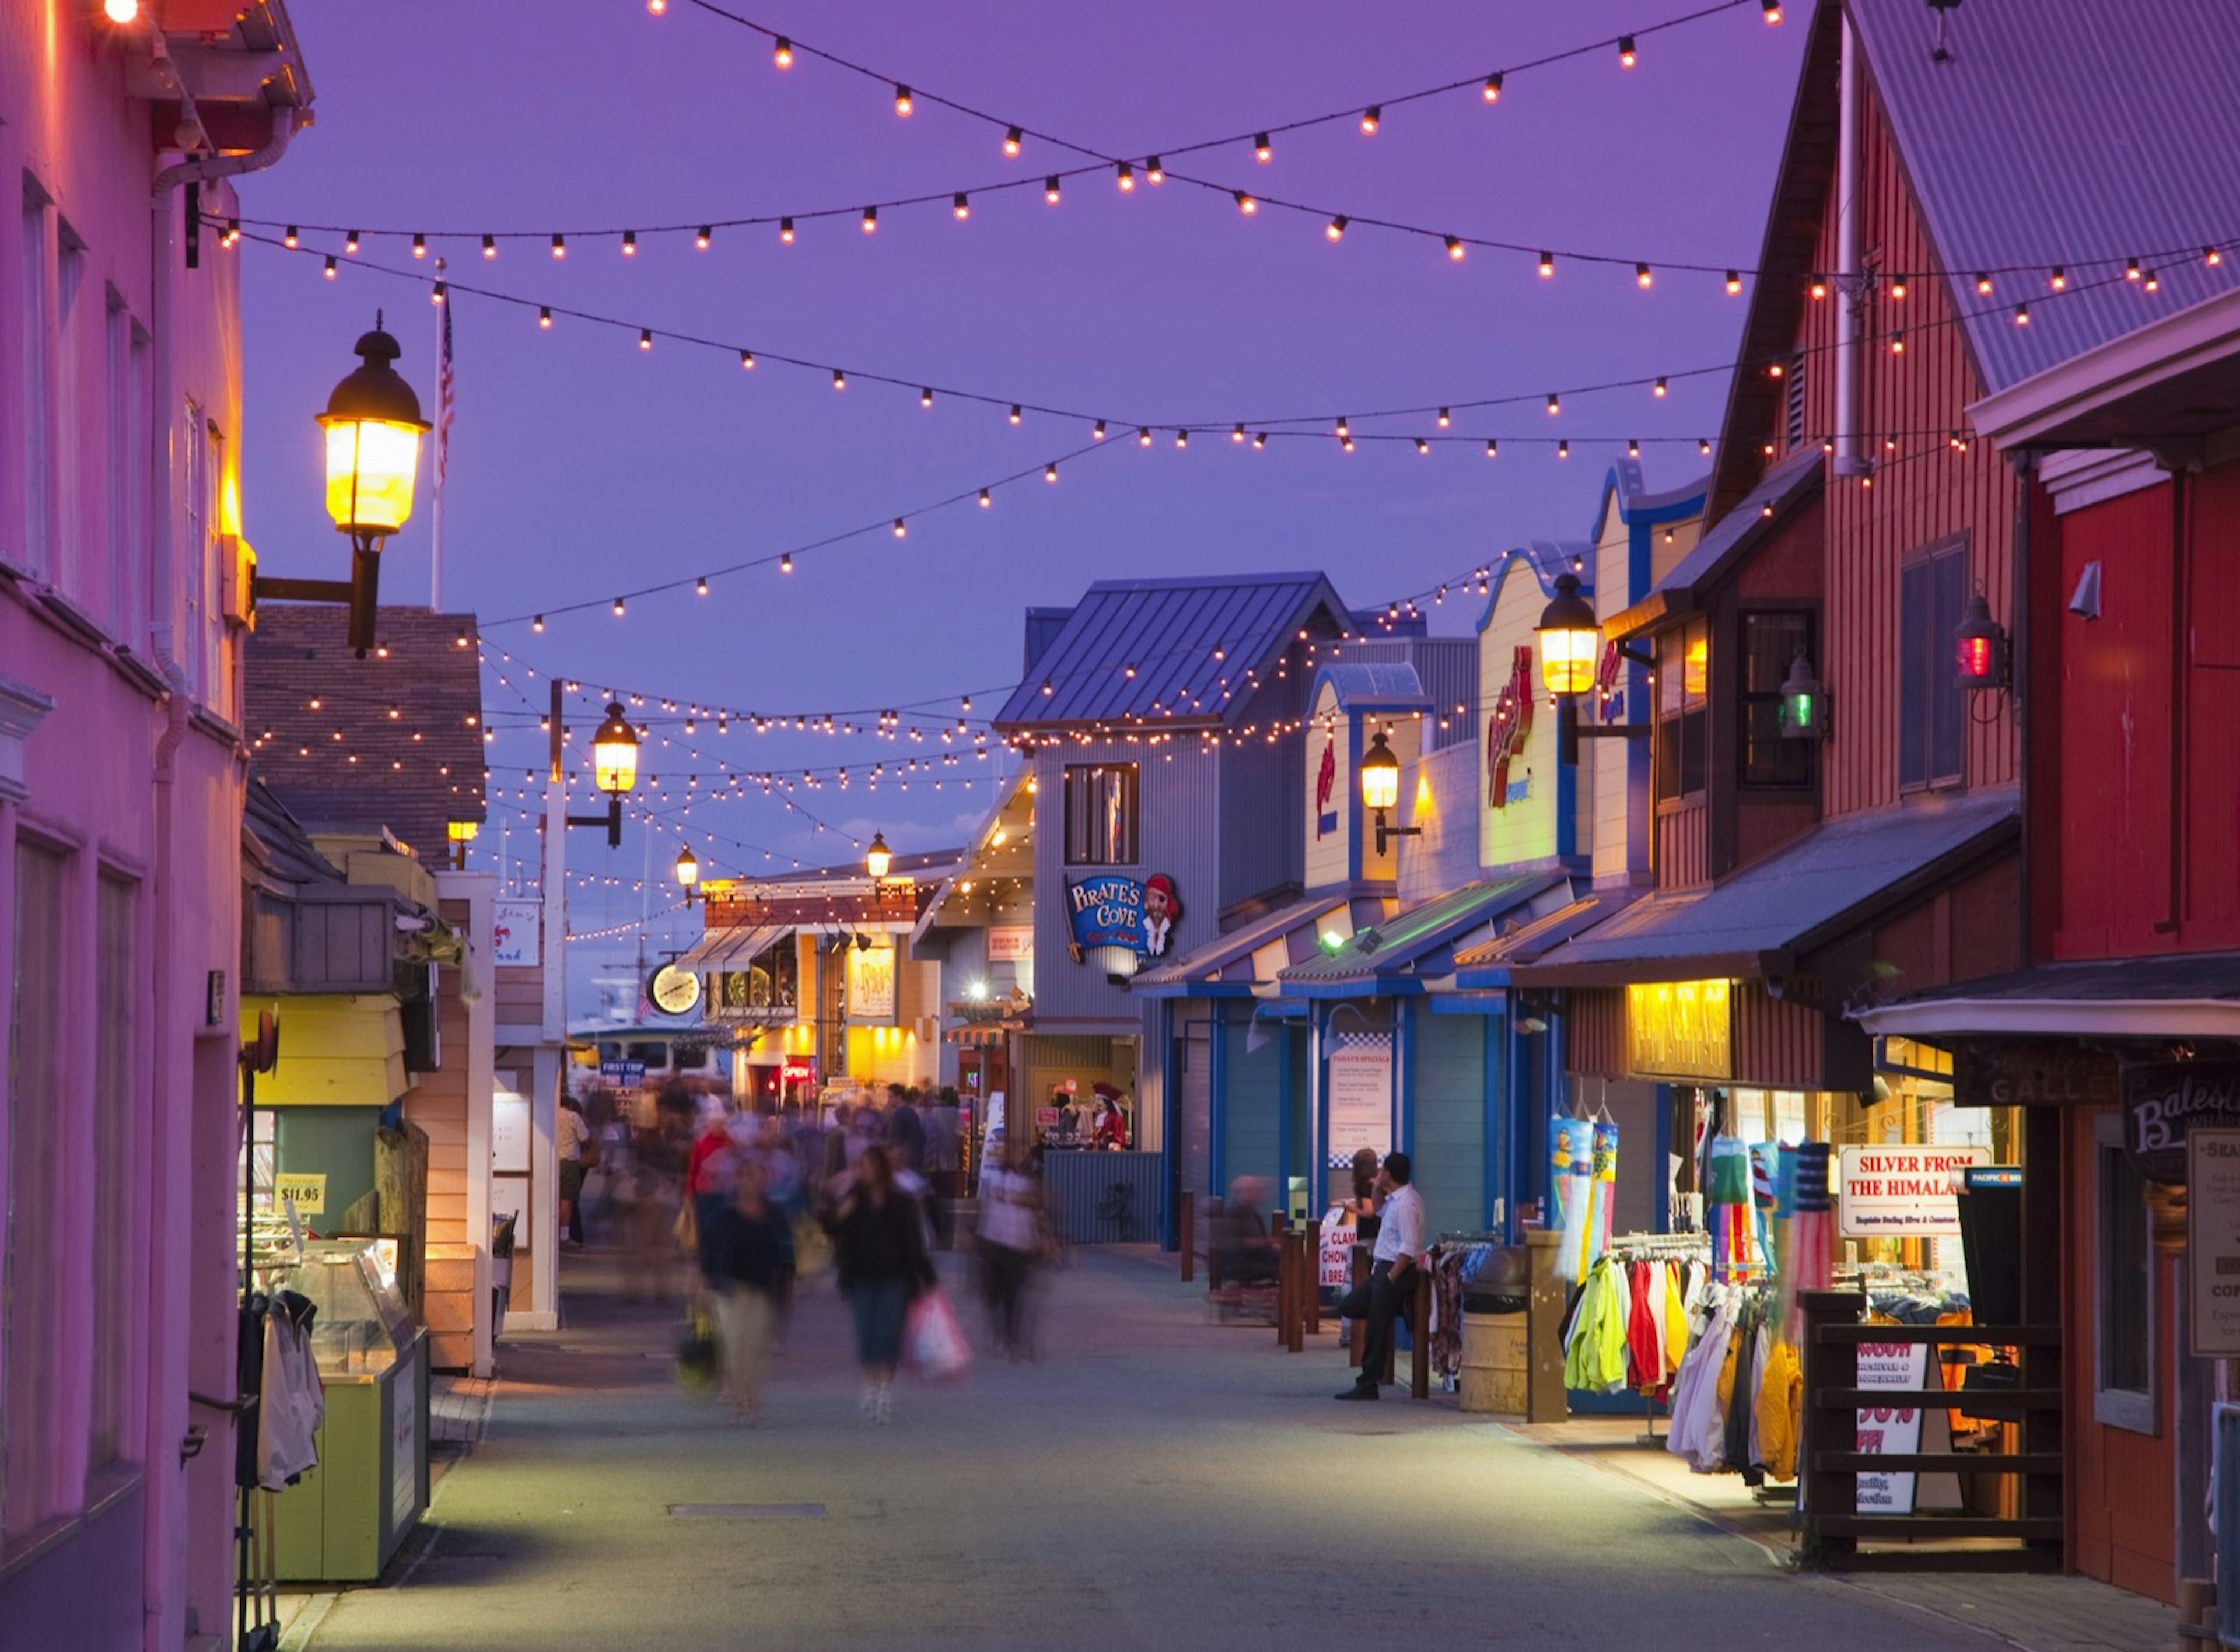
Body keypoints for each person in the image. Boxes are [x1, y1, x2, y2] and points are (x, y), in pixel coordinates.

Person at [827, 1146, 936, 1422]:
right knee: (867, 1336)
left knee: (888, 1336)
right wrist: (842, 1212)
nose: (863, 1171)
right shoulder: (853, 1200)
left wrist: (925, 1275)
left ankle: (884, 1391)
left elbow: (913, 1242)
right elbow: (830, 1228)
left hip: (895, 1277)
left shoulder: (901, 1202)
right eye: (860, 1166)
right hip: (860, 1275)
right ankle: (870, 1385)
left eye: (868, 1165)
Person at [699, 1158, 790, 1420]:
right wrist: (702, 1286)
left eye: (756, 1175)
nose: (750, 1182)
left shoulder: (774, 1215)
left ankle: (752, 1396)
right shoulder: (725, 1215)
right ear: (737, 1180)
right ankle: (740, 1397)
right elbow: (709, 1254)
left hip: (762, 1289)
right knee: (734, 1345)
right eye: (745, 1176)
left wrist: (788, 1286)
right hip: (730, 1289)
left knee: (757, 1346)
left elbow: (784, 1256)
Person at [1334, 1152, 1423, 1401]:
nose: (1378, 1173)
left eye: (1382, 1171)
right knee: (1349, 1306)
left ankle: (1368, 1384)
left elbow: (1409, 1246)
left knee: (1376, 1327)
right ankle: (1398, 1308)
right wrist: (1376, 1188)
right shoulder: (1395, 1200)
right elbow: (1379, 1210)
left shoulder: (1406, 1204)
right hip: (1381, 1269)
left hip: (1394, 1270)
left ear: (1390, 1175)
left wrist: (1392, 1277)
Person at [977, 1145, 1041, 1357]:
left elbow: (1036, 1208)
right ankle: (1001, 1334)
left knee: (1014, 1294)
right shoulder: (994, 1181)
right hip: (996, 1242)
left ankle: (1011, 1336)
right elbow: (986, 1211)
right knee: (995, 1294)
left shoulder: (1027, 1184)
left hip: (1018, 1244)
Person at [556, 1097, 592, 1248]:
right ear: (569, 1105)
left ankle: (549, 1233)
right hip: (569, 1162)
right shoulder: (573, 1117)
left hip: (550, 1161)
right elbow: (585, 1137)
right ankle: (564, 1237)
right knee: (567, 1201)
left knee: (553, 1199)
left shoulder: (550, 1114)